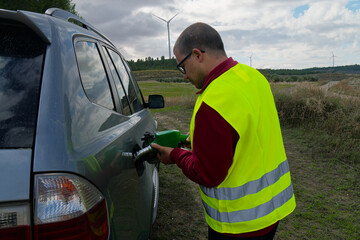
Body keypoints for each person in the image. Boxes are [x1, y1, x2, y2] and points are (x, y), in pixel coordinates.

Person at [151, 22, 296, 240]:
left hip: (239, 225)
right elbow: (248, 133)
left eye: (182, 66)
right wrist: (204, 143)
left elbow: (207, 173)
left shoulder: (214, 102)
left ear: (197, 55)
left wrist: (175, 156)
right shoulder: (254, 77)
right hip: (271, 212)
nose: (183, 75)